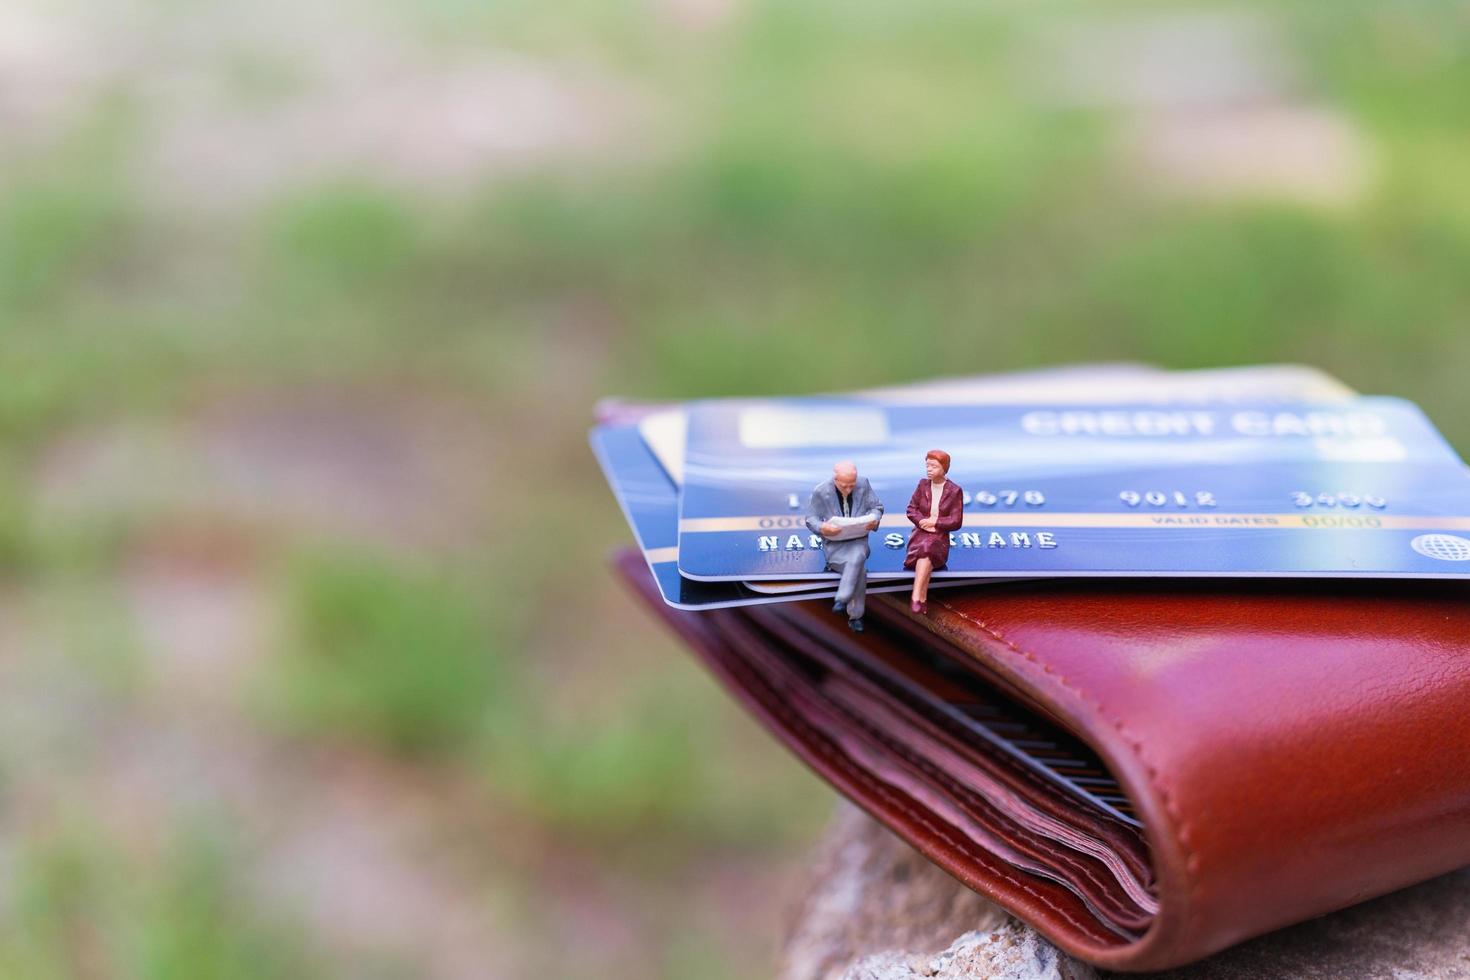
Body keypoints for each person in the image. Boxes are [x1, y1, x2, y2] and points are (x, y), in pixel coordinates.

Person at [805, 461, 884, 632]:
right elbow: (811, 519)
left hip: (858, 540)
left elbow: (877, 507)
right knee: (859, 571)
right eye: (844, 485)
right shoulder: (821, 491)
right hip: (835, 544)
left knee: (857, 556)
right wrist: (823, 528)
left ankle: (842, 598)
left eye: (852, 485)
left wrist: (873, 520)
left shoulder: (864, 484)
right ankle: (855, 617)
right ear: (835, 479)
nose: (849, 489)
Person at [904, 449, 963, 614]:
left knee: (928, 548)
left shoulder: (954, 490)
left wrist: (935, 522)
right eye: (927, 466)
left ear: (944, 469)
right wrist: (922, 522)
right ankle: (922, 597)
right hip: (920, 533)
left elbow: (956, 520)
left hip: (940, 536)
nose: (929, 469)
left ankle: (916, 595)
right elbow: (911, 510)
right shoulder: (922, 485)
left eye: (934, 466)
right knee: (925, 546)